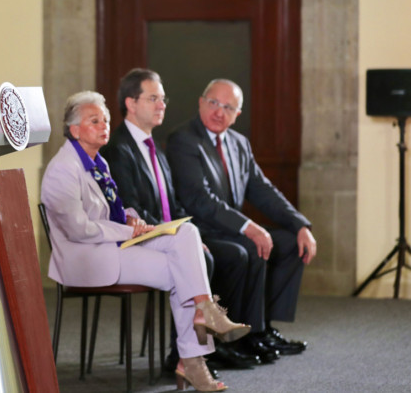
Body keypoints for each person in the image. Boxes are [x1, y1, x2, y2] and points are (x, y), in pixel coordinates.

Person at [42, 91, 250, 391]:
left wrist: (130, 217)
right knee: (183, 270)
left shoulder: (97, 161)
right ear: (74, 130)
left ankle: (202, 315)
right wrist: (129, 232)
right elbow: (78, 230)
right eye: (94, 121)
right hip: (87, 258)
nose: (104, 126)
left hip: (113, 244)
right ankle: (193, 358)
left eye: (106, 120)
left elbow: (108, 207)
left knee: (187, 234)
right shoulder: (62, 170)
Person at [100, 68, 257, 372]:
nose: (162, 105)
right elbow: (130, 210)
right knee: (204, 260)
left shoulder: (154, 148)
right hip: (137, 241)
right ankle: (183, 354)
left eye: (163, 99)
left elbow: (174, 204)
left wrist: (192, 235)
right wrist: (182, 239)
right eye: (154, 98)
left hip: (169, 235)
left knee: (234, 255)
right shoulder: (118, 149)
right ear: (131, 104)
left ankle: (212, 348)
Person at [167, 79, 316, 364]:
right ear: (200, 102)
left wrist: (300, 225)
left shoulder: (238, 143)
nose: (218, 112)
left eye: (228, 107)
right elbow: (200, 199)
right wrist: (249, 227)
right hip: (202, 231)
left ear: (238, 114)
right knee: (252, 247)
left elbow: (262, 190)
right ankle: (246, 334)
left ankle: (263, 329)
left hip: (230, 228)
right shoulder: (183, 139)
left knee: (289, 244)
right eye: (213, 103)